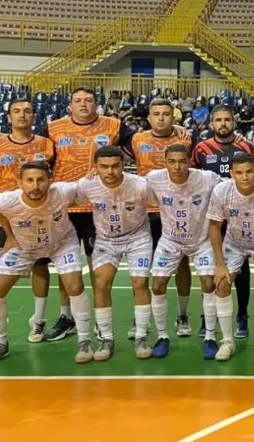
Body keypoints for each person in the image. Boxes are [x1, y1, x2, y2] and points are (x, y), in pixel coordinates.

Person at [0, 87, 188, 342]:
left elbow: (142, 139)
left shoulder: (114, 125)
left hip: (97, 205)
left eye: (88, 100)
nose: (83, 104)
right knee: (63, 264)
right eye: (77, 100)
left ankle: (96, 323)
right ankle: (67, 317)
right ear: (69, 105)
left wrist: (174, 131)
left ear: (96, 104)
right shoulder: (54, 128)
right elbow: (28, 140)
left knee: (95, 268)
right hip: (64, 205)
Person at [0, 161, 90, 365]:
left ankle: (84, 340)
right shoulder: (6, 200)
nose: (35, 186)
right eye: (29, 180)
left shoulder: (63, 192)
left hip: (62, 243)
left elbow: (88, 184)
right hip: (24, 248)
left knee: (74, 285)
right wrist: (10, 236)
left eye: (40, 180)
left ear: (50, 181)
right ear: (20, 182)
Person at [0, 99, 56, 343]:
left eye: (27, 111)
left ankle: (39, 321)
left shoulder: (47, 144)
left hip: (37, 218)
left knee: (40, 267)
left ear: (34, 117)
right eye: (16, 111)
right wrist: (7, 198)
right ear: (9, 117)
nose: (22, 115)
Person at [76, 147, 154, 361]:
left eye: (115, 166)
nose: (110, 171)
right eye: (104, 167)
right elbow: (61, 197)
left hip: (138, 237)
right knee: (101, 284)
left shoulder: (139, 185)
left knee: (139, 283)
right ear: (96, 167)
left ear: (123, 165)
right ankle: (106, 339)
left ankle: (140, 336)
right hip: (106, 240)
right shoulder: (86, 185)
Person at [146, 144, 222, 359]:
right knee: (158, 284)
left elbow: (232, 186)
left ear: (189, 161)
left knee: (208, 282)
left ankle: (209, 336)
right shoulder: (154, 178)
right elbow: (128, 183)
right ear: (165, 162)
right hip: (170, 240)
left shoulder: (207, 178)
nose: (177, 166)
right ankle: (162, 336)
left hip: (201, 240)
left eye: (182, 161)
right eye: (172, 161)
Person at [128, 98, 196, 338]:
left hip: (177, 210)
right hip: (144, 211)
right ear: (149, 118)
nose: (161, 118)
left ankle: (183, 315)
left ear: (173, 116)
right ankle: (140, 318)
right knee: (142, 266)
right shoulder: (137, 139)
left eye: (166, 114)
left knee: (182, 263)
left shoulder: (185, 139)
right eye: (156, 114)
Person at [192, 105, 254, 339]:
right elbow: (194, 178)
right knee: (212, 267)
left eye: (227, 119)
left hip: (240, 216)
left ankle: (242, 316)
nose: (223, 123)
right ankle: (207, 316)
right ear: (211, 124)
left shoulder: (246, 146)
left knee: (240, 268)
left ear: (234, 122)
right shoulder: (201, 148)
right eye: (218, 120)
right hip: (209, 216)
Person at [207, 153, 254, 360]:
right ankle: (227, 341)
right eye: (239, 173)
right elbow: (214, 227)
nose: (244, 177)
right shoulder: (221, 191)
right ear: (231, 173)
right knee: (222, 282)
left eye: (249, 172)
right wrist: (219, 264)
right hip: (234, 244)